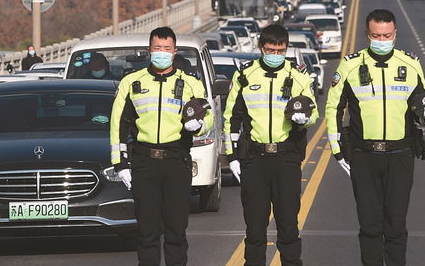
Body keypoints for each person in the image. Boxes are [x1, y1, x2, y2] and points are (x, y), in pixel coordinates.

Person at [325, 9, 425, 266]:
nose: (381, 39)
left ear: (395, 35)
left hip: (401, 155)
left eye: (387, 35)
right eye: (376, 35)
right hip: (364, 156)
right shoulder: (351, 65)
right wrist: (337, 149)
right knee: (370, 224)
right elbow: (333, 108)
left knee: (396, 224)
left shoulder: (410, 65)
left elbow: (423, 105)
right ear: (367, 35)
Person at [110, 27, 213, 266]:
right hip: (144, 163)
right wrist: (120, 164)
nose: (162, 53)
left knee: (176, 230)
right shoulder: (131, 82)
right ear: (149, 50)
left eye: (167, 49)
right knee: (147, 231)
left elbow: (209, 118)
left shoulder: (190, 84)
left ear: (174, 52)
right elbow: (118, 125)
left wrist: (197, 125)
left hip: (177, 161)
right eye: (157, 48)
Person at [223, 24, 318, 266]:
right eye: (270, 50)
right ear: (261, 48)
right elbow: (231, 119)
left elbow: (314, 110)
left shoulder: (298, 75)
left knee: (288, 225)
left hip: (286, 158)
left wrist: (305, 117)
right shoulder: (245, 76)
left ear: (286, 49)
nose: (275, 55)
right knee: (255, 227)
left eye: (280, 50)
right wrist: (232, 156)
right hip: (254, 159)